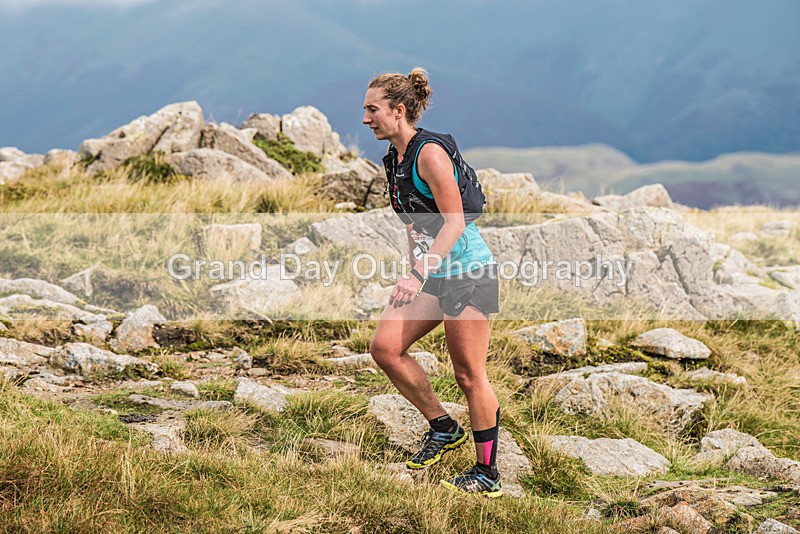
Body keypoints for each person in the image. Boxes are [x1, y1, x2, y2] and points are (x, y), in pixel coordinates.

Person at [363, 67, 503, 497]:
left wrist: (419, 271)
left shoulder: (429, 154)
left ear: (399, 110)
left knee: (468, 374)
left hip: (467, 274)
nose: (366, 119)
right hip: (432, 276)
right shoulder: (396, 158)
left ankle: (487, 475)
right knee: (385, 348)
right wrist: (414, 274)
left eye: (373, 109)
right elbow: (414, 224)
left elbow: (455, 222)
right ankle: (443, 426)